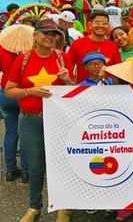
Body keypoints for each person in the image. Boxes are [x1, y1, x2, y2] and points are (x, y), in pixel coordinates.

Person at [5, 19, 74, 222]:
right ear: (35, 36)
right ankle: (34, 207)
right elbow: (9, 90)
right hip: (30, 120)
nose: (50, 37)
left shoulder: (63, 58)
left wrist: (67, 80)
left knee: (61, 164)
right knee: (35, 165)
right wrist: (30, 91)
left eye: (54, 34)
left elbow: (73, 91)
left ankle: (63, 207)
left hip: (60, 121)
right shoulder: (23, 60)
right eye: (45, 33)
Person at [0, 25, 33, 184]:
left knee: (11, 132)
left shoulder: (2, 49)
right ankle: (26, 171)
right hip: (24, 93)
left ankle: (10, 170)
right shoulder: (32, 52)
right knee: (27, 133)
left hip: (5, 92)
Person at [68, 10, 122, 83]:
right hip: (83, 90)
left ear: (108, 26)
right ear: (90, 25)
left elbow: (117, 71)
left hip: (108, 90)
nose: (101, 26)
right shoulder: (77, 44)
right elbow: (68, 67)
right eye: (97, 22)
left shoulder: (113, 46)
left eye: (105, 23)